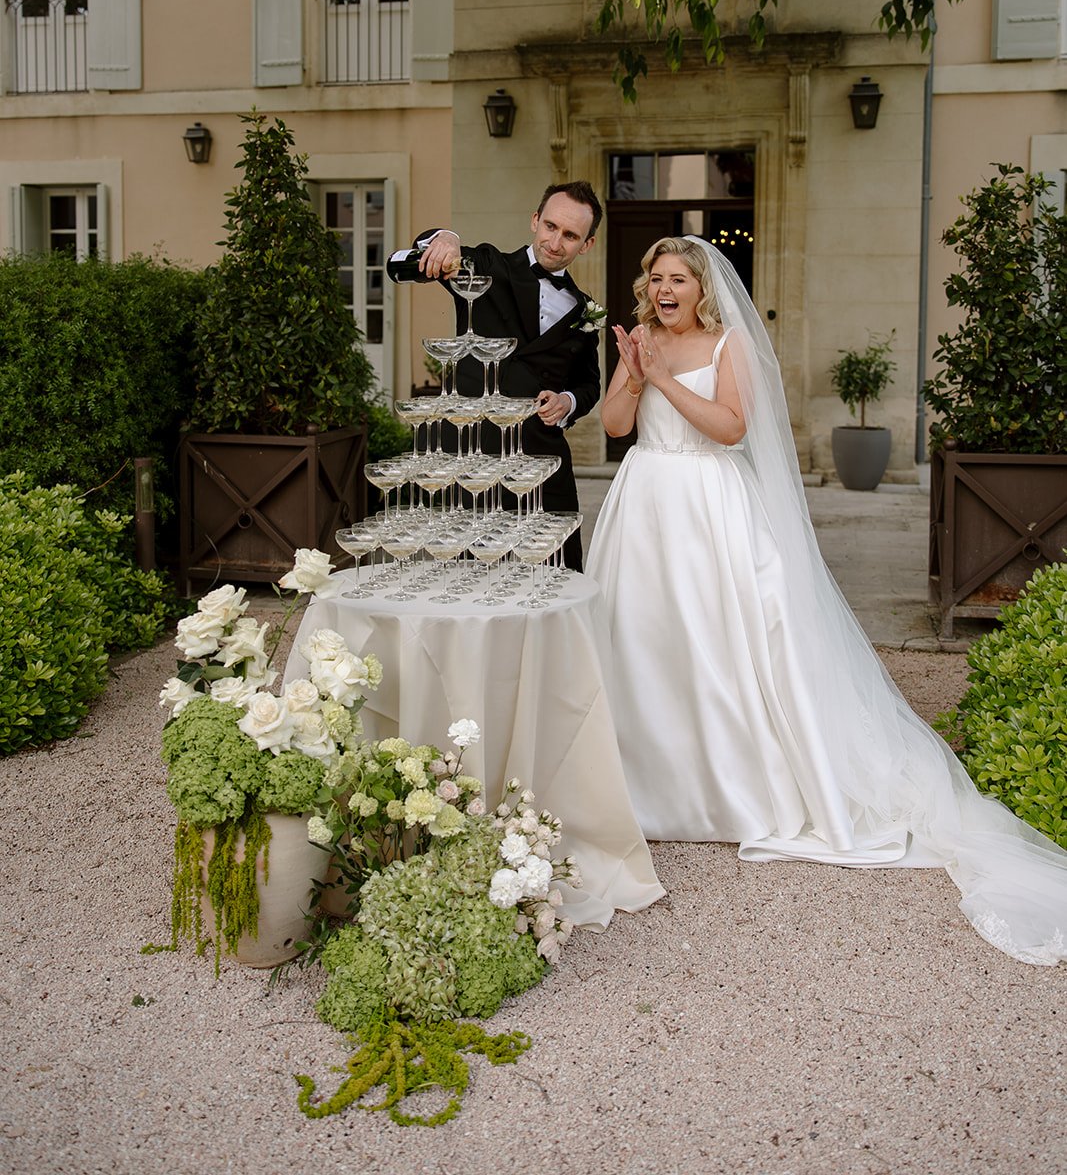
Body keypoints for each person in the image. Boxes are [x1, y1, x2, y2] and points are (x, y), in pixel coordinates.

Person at [586, 235, 1067, 965]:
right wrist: (630, 373)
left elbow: (730, 428)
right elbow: (615, 427)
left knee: (721, 648)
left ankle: (733, 790)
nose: (664, 288)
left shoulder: (728, 344)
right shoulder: (640, 343)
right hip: (644, 501)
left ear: (701, 288)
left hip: (708, 507)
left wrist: (666, 380)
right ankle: (647, 788)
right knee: (639, 643)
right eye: (655, 277)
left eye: (678, 278)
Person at [393, 181, 603, 569]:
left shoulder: (584, 310)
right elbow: (411, 259)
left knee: (553, 579)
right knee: (476, 577)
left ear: (586, 244)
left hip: (544, 464)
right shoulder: (487, 266)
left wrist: (568, 401)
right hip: (477, 455)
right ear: (535, 220)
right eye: (551, 227)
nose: (556, 242)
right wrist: (446, 239)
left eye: (571, 235)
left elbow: (590, 384)